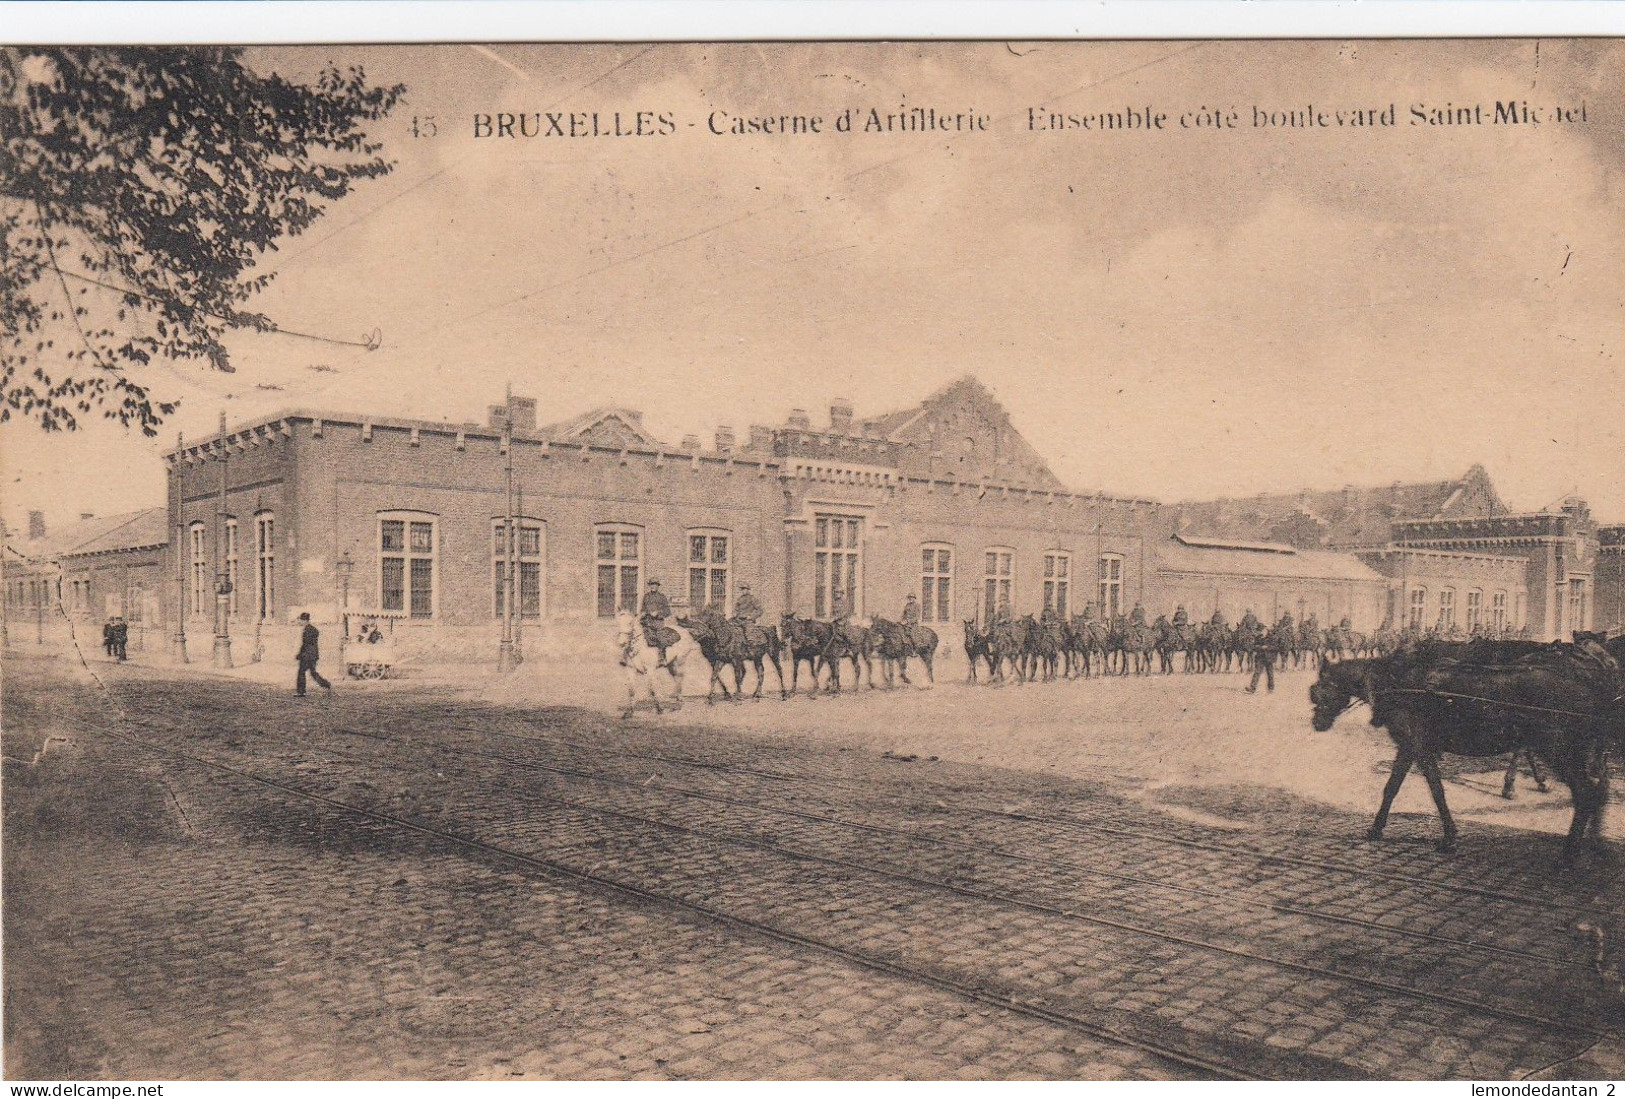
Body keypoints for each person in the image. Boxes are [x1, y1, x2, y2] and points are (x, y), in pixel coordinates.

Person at [638, 579, 674, 668]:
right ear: (649, 586)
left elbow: (667, 611)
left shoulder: (662, 597)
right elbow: (643, 609)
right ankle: (641, 660)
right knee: (641, 638)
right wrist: (643, 613)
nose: (653, 586)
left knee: (660, 638)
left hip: (658, 621)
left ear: (658, 586)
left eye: (655, 585)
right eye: (651, 585)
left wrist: (658, 613)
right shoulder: (646, 597)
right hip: (647, 621)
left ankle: (662, 659)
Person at [295, 612, 332, 696]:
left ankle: (301, 692)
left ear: (304, 620)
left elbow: (305, 644)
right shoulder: (313, 629)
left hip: (307, 656)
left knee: (302, 672)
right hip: (313, 655)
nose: (300, 622)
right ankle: (326, 684)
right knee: (313, 673)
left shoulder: (307, 630)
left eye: (301, 620)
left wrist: (300, 654)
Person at [1248, 619, 1285, 693]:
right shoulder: (1258, 637)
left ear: (1265, 630)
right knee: (1257, 672)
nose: (1260, 632)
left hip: (1269, 658)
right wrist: (1260, 647)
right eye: (1259, 631)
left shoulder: (1272, 638)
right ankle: (1252, 688)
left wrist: (1267, 647)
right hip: (1260, 658)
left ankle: (1271, 688)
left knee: (1270, 674)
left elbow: (1277, 647)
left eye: (1261, 630)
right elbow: (1253, 647)